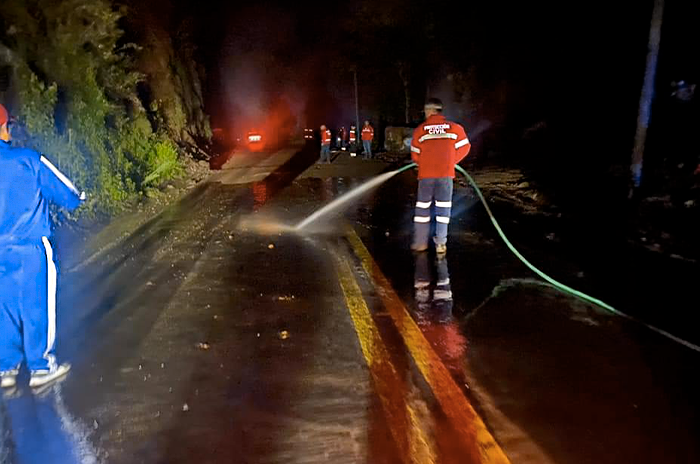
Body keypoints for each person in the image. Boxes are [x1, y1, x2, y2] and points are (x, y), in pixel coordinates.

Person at [0, 103, 85, 389]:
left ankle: (6, 369)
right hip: (30, 247)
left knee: (4, 309)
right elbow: (68, 193)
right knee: (37, 305)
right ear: (5, 127)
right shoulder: (29, 159)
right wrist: (78, 198)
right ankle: (41, 367)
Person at [410, 98, 470, 254]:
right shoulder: (454, 128)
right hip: (445, 175)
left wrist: (424, 162)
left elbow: (415, 155)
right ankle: (441, 244)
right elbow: (465, 147)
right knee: (443, 210)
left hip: (426, 176)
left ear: (430, 111)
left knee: (423, 210)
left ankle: (421, 243)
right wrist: (451, 161)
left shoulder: (420, 130)